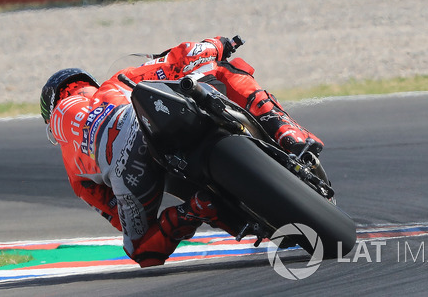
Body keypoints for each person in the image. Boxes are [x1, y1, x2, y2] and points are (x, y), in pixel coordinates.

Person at [40, 36, 324, 268]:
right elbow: (181, 57)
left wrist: (165, 213)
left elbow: (115, 214)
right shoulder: (113, 84)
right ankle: (286, 131)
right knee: (223, 68)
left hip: (126, 168)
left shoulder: (72, 167)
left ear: (51, 122)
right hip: (140, 116)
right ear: (89, 84)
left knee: (141, 250)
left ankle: (195, 209)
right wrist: (219, 43)